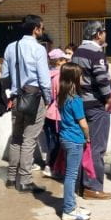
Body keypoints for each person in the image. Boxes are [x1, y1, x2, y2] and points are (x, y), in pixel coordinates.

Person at [1, 14, 51, 193]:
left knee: (16, 137)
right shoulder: (38, 49)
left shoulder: (10, 47)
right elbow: (44, 79)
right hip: (34, 96)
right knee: (30, 138)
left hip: (16, 97)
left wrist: (10, 95)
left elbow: (4, 76)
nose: (42, 31)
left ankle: (11, 177)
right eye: (41, 28)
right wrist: (48, 98)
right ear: (36, 29)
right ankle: (25, 180)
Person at [72, 21, 111, 200]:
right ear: (98, 34)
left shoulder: (76, 53)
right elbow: (102, 78)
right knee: (98, 147)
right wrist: (108, 98)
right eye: (104, 32)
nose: (105, 34)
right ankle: (93, 186)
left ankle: (81, 184)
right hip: (96, 104)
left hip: (81, 103)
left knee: (84, 145)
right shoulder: (97, 53)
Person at [57, 62, 92, 220]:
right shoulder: (75, 99)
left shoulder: (63, 96)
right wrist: (88, 136)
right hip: (75, 139)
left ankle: (71, 204)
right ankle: (69, 209)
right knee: (71, 175)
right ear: (75, 79)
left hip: (65, 137)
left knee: (70, 174)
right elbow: (83, 122)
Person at [42, 47, 70, 177]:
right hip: (58, 113)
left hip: (48, 113)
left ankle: (51, 165)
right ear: (59, 61)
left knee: (51, 141)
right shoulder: (60, 77)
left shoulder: (47, 74)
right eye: (64, 59)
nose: (66, 61)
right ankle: (52, 167)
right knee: (57, 142)